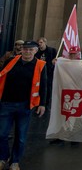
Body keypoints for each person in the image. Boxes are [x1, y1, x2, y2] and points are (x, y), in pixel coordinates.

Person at [0, 41, 47, 170]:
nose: (27, 52)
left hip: (25, 105)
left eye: (30, 50)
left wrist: (42, 104)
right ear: (22, 50)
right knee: (2, 134)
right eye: (25, 49)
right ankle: (3, 158)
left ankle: (15, 162)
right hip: (6, 103)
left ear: (36, 51)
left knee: (20, 137)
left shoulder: (40, 65)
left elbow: (44, 85)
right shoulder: (11, 61)